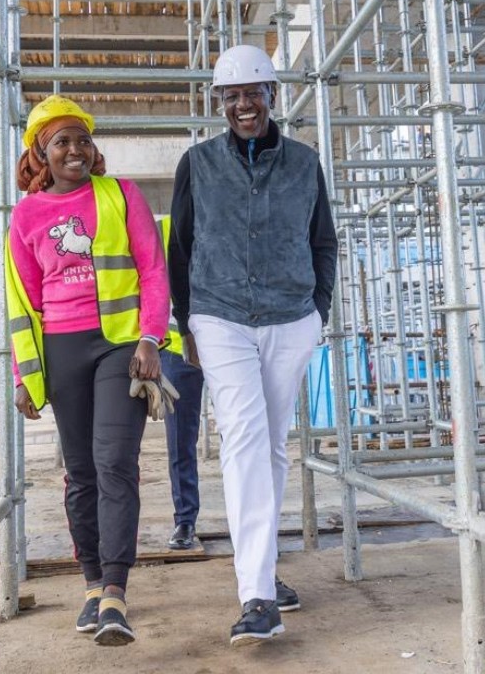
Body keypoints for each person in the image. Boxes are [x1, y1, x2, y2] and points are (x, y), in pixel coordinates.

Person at [168, 44, 337, 645]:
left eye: (254, 93)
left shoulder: (303, 162)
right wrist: (186, 322)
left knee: (271, 447)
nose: (244, 104)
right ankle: (257, 597)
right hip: (221, 317)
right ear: (220, 102)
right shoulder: (199, 163)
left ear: (272, 96)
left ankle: (262, 566)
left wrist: (318, 310)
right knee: (243, 438)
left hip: (291, 317)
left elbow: (324, 241)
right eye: (232, 96)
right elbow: (180, 248)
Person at [7, 95, 169, 646]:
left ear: (93, 147)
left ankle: (117, 596)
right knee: (80, 473)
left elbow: (152, 269)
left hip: (120, 347)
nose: (74, 149)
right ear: (41, 153)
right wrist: (24, 379)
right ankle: (93, 585)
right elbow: (22, 301)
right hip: (62, 351)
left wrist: (151, 338)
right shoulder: (26, 215)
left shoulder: (121, 196)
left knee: (114, 463)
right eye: (61, 142)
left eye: (81, 139)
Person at [155, 216, 206, 552]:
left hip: (229, 343)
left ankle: (253, 526)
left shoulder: (225, 220)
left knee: (243, 437)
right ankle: (185, 520)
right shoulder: (161, 229)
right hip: (178, 351)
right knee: (180, 441)